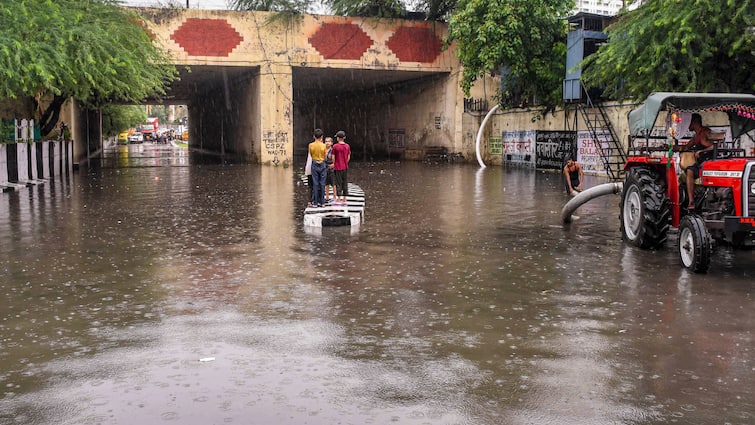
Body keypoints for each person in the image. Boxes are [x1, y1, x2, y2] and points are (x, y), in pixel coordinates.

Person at [682, 113, 715, 210]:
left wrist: (703, 151)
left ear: (695, 123)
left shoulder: (705, 132)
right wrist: (669, 147)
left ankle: (692, 200)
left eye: (689, 123)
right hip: (700, 163)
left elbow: (716, 145)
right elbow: (686, 147)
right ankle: (691, 199)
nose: (688, 125)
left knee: (690, 170)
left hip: (708, 162)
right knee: (689, 170)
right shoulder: (696, 136)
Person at [308, 129, 327, 207]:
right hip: (322, 163)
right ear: (321, 137)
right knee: (322, 184)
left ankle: (315, 202)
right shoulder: (324, 145)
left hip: (314, 163)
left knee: (315, 183)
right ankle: (322, 202)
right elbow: (325, 156)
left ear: (314, 136)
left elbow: (311, 154)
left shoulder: (311, 145)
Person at [331, 130, 351, 205]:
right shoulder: (347, 146)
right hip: (345, 167)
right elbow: (348, 156)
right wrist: (345, 162)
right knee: (344, 182)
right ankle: (345, 198)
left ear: (338, 138)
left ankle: (339, 199)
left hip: (338, 167)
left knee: (338, 183)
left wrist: (334, 163)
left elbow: (333, 156)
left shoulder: (335, 146)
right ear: (344, 138)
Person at [324, 137, 335, 203]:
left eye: (329, 141)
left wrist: (334, 164)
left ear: (331, 143)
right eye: (326, 141)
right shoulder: (323, 150)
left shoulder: (333, 150)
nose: (327, 143)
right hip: (325, 167)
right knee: (326, 183)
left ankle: (334, 196)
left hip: (332, 168)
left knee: (333, 183)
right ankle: (327, 197)